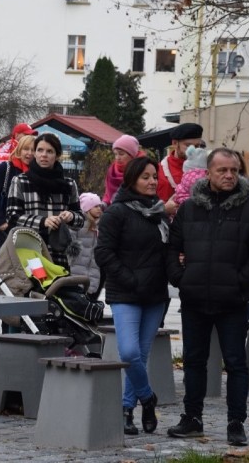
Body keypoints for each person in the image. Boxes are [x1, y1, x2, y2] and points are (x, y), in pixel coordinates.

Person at [167, 148, 249, 446]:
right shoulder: (188, 209)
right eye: (222, 170)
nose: (229, 176)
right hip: (194, 299)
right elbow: (171, 249)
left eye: (234, 170)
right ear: (208, 173)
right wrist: (180, 278)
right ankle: (192, 418)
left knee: (236, 363)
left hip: (233, 302)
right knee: (193, 361)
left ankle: (236, 422)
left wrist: (239, 281)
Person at [95, 156, 168, 436]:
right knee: (129, 352)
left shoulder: (159, 212)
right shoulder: (117, 212)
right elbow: (103, 253)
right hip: (126, 293)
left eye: (154, 176)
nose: (152, 182)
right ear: (132, 180)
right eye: (145, 177)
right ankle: (148, 398)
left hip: (155, 295)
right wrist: (130, 279)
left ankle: (127, 409)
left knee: (142, 354)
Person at [7, 133, 85, 269]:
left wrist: (71, 216)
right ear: (35, 153)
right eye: (40, 150)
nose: (44, 155)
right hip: (29, 253)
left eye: (50, 151)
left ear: (57, 155)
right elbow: (13, 216)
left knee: (57, 289)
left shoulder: (69, 184)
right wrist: (43, 221)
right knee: (33, 288)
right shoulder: (20, 181)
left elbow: (80, 220)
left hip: (59, 255)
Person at [0, 135, 35, 260]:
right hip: (4, 228)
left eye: (33, 150)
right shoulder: (6, 168)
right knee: (1, 266)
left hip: (28, 229)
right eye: (26, 149)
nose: (29, 153)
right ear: (19, 150)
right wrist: (1, 223)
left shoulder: (37, 173)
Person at [157, 122, 204, 216]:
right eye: (188, 145)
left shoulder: (205, 169)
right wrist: (164, 209)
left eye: (197, 146)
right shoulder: (158, 169)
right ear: (175, 143)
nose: (193, 150)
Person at [69, 192, 105, 299]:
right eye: (95, 206)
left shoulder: (101, 225)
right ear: (87, 208)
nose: (99, 208)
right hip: (77, 268)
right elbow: (71, 243)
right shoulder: (79, 224)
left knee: (92, 297)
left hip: (94, 269)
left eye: (100, 206)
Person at [103, 134, 145, 205]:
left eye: (121, 154)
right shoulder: (112, 171)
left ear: (132, 155)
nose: (117, 157)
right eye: (115, 154)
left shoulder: (142, 169)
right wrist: (103, 204)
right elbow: (107, 194)